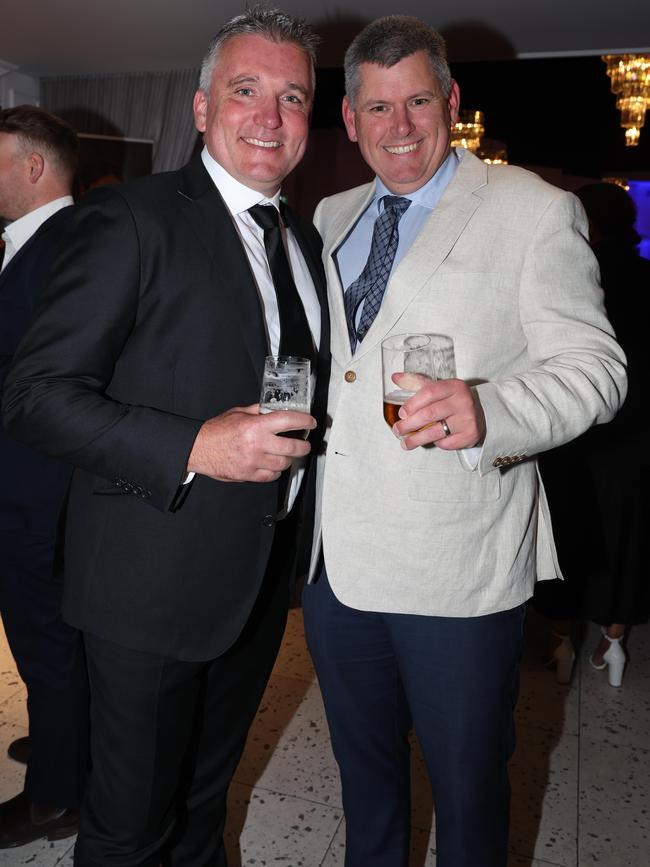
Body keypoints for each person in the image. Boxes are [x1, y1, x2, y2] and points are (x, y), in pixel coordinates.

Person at [2, 6, 329, 865]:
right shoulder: (130, 221)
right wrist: (195, 447)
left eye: (292, 96)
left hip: (257, 583)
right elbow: (34, 396)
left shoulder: (303, 239)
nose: (269, 115)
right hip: (145, 588)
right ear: (199, 107)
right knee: (130, 826)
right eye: (246, 90)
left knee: (200, 804)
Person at [300, 15, 626, 867]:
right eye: (377, 107)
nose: (398, 125)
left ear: (450, 100)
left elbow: (597, 368)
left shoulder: (531, 208)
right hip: (337, 564)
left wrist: (492, 410)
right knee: (363, 776)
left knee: (469, 786)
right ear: (351, 117)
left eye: (416, 101)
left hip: (461, 566)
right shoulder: (330, 214)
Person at [0, 105, 89, 848]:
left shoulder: (64, 247)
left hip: (39, 491)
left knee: (47, 640)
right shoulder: (34, 244)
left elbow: (49, 383)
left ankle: (57, 796)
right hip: (29, 483)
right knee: (42, 641)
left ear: (33, 166)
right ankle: (65, 741)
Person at [534, 181, 650, 687]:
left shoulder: (572, 273)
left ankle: (562, 641)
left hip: (577, 431)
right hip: (640, 436)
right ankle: (616, 641)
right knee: (631, 538)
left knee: (570, 533)